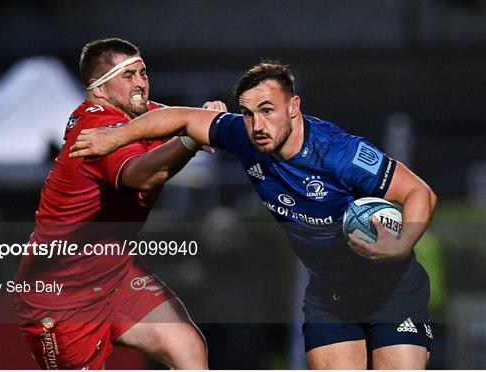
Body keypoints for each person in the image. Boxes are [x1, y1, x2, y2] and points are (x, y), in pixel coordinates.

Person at [70, 62, 438, 369]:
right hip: (331, 295)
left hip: (391, 289)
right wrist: (114, 137)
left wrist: (399, 244)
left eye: (267, 110)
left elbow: (420, 192)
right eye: (247, 113)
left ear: (293, 106)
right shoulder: (244, 137)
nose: (257, 125)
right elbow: (179, 118)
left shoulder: (340, 153)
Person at [14, 37, 226, 369]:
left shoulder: (141, 116)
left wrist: (210, 117)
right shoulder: (95, 129)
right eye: (129, 76)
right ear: (99, 89)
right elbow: (143, 177)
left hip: (115, 273)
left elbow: (181, 119)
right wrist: (189, 137)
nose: (141, 83)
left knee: (187, 347)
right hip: (61, 296)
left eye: (143, 73)